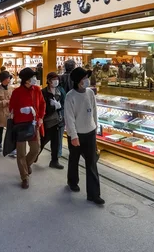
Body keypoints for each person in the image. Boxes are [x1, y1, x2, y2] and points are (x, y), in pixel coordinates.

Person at [64, 67, 104, 205]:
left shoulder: (90, 93)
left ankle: (94, 194)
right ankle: (72, 181)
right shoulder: (70, 96)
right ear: (77, 81)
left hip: (90, 132)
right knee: (74, 159)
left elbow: (94, 111)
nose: (86, 81)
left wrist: (95, 127)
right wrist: (73, 136)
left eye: (87, 78)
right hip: (77, 134)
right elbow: (69, 118)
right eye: (84, 78)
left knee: (92, 163)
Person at [9, 68, 45, 189]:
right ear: (26, 80)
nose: (35, 79)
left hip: (34, 124)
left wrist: (40, 117)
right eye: (32, 77)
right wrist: (20, 111)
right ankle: (24, 177)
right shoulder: (17, 92)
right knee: (21, 153)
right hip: (20, 125)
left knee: (36, 149)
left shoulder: (37, 90)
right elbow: (11, 108)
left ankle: (27, 163)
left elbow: (42, 104)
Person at [39, 72, 65, 169]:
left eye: (57, 79)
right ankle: (33, 156)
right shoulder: (44, 92)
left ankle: (54, 161)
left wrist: (59, 107)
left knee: (56, 142)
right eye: (54, 79)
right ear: (49, 81)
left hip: (58, 121)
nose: (56, 81)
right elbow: (42, 107)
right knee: (43, 141)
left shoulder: (60, 91)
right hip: (47, 121)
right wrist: (52, 107)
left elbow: (64, 103)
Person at [0, 71, 14, 153]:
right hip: (1, 112)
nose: (9, 79)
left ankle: (9, 145)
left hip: (9, 111)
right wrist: (6, 102)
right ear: (4, 79)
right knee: (0, 128)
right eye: (8, 78)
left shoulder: (11, 88)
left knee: (10, 129)